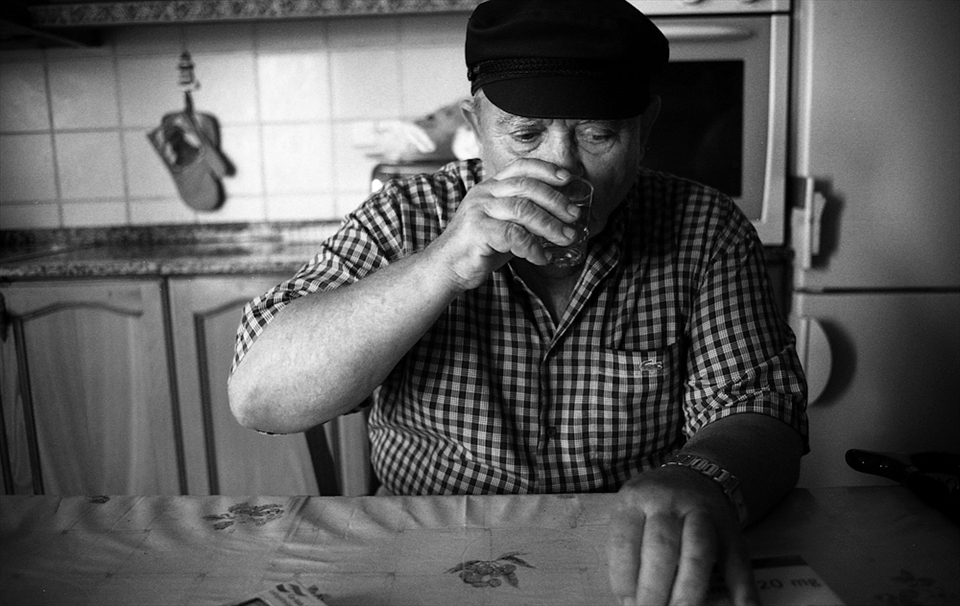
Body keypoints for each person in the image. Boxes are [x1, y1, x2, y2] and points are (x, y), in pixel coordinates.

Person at [228, 0, 808, 604]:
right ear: (475, 125)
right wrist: (440, 266)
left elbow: (761, 411)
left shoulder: (707, 230)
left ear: (645, 128)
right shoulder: (405, 217)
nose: (559, 167)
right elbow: (258, 397)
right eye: (526, 133)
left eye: (598, 133)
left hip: (626, 561)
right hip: (423, 560)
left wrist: (700, 476)